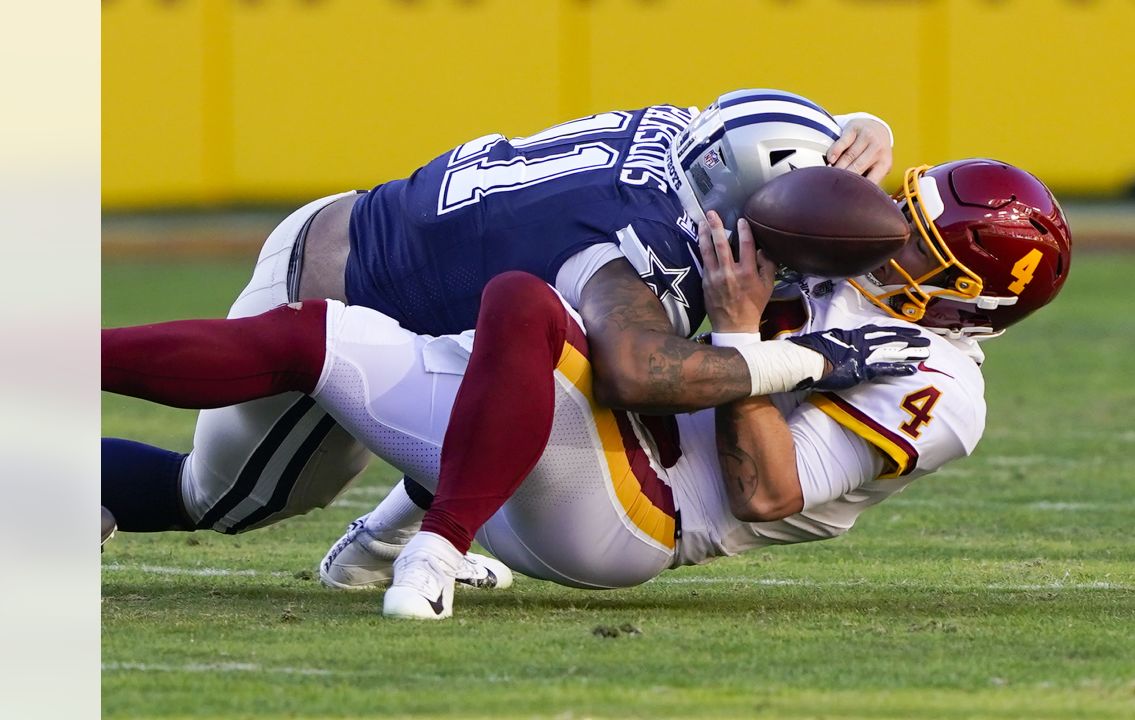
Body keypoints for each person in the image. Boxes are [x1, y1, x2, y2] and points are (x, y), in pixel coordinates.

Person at [102, 158, 1073, 620]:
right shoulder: (850, 265)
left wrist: (739, 335)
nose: (886, 237)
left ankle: (427, 555)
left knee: (523, 309)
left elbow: (764, 491)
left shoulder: (940, 385)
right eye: (898, 214)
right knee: (310, 340)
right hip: (553, 446)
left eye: (918, 244)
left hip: (627, 520)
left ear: (968, 297)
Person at [101, 89, 894, 561]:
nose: (793, 256)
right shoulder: (640, 248)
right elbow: (637, 373)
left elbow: (786, 134)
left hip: (358, 229)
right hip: (342, 293)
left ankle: (396, 541)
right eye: (789, 234)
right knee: (219, 498)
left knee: (516, 383)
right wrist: (802, 360)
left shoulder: (692, 131)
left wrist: (868, 128)